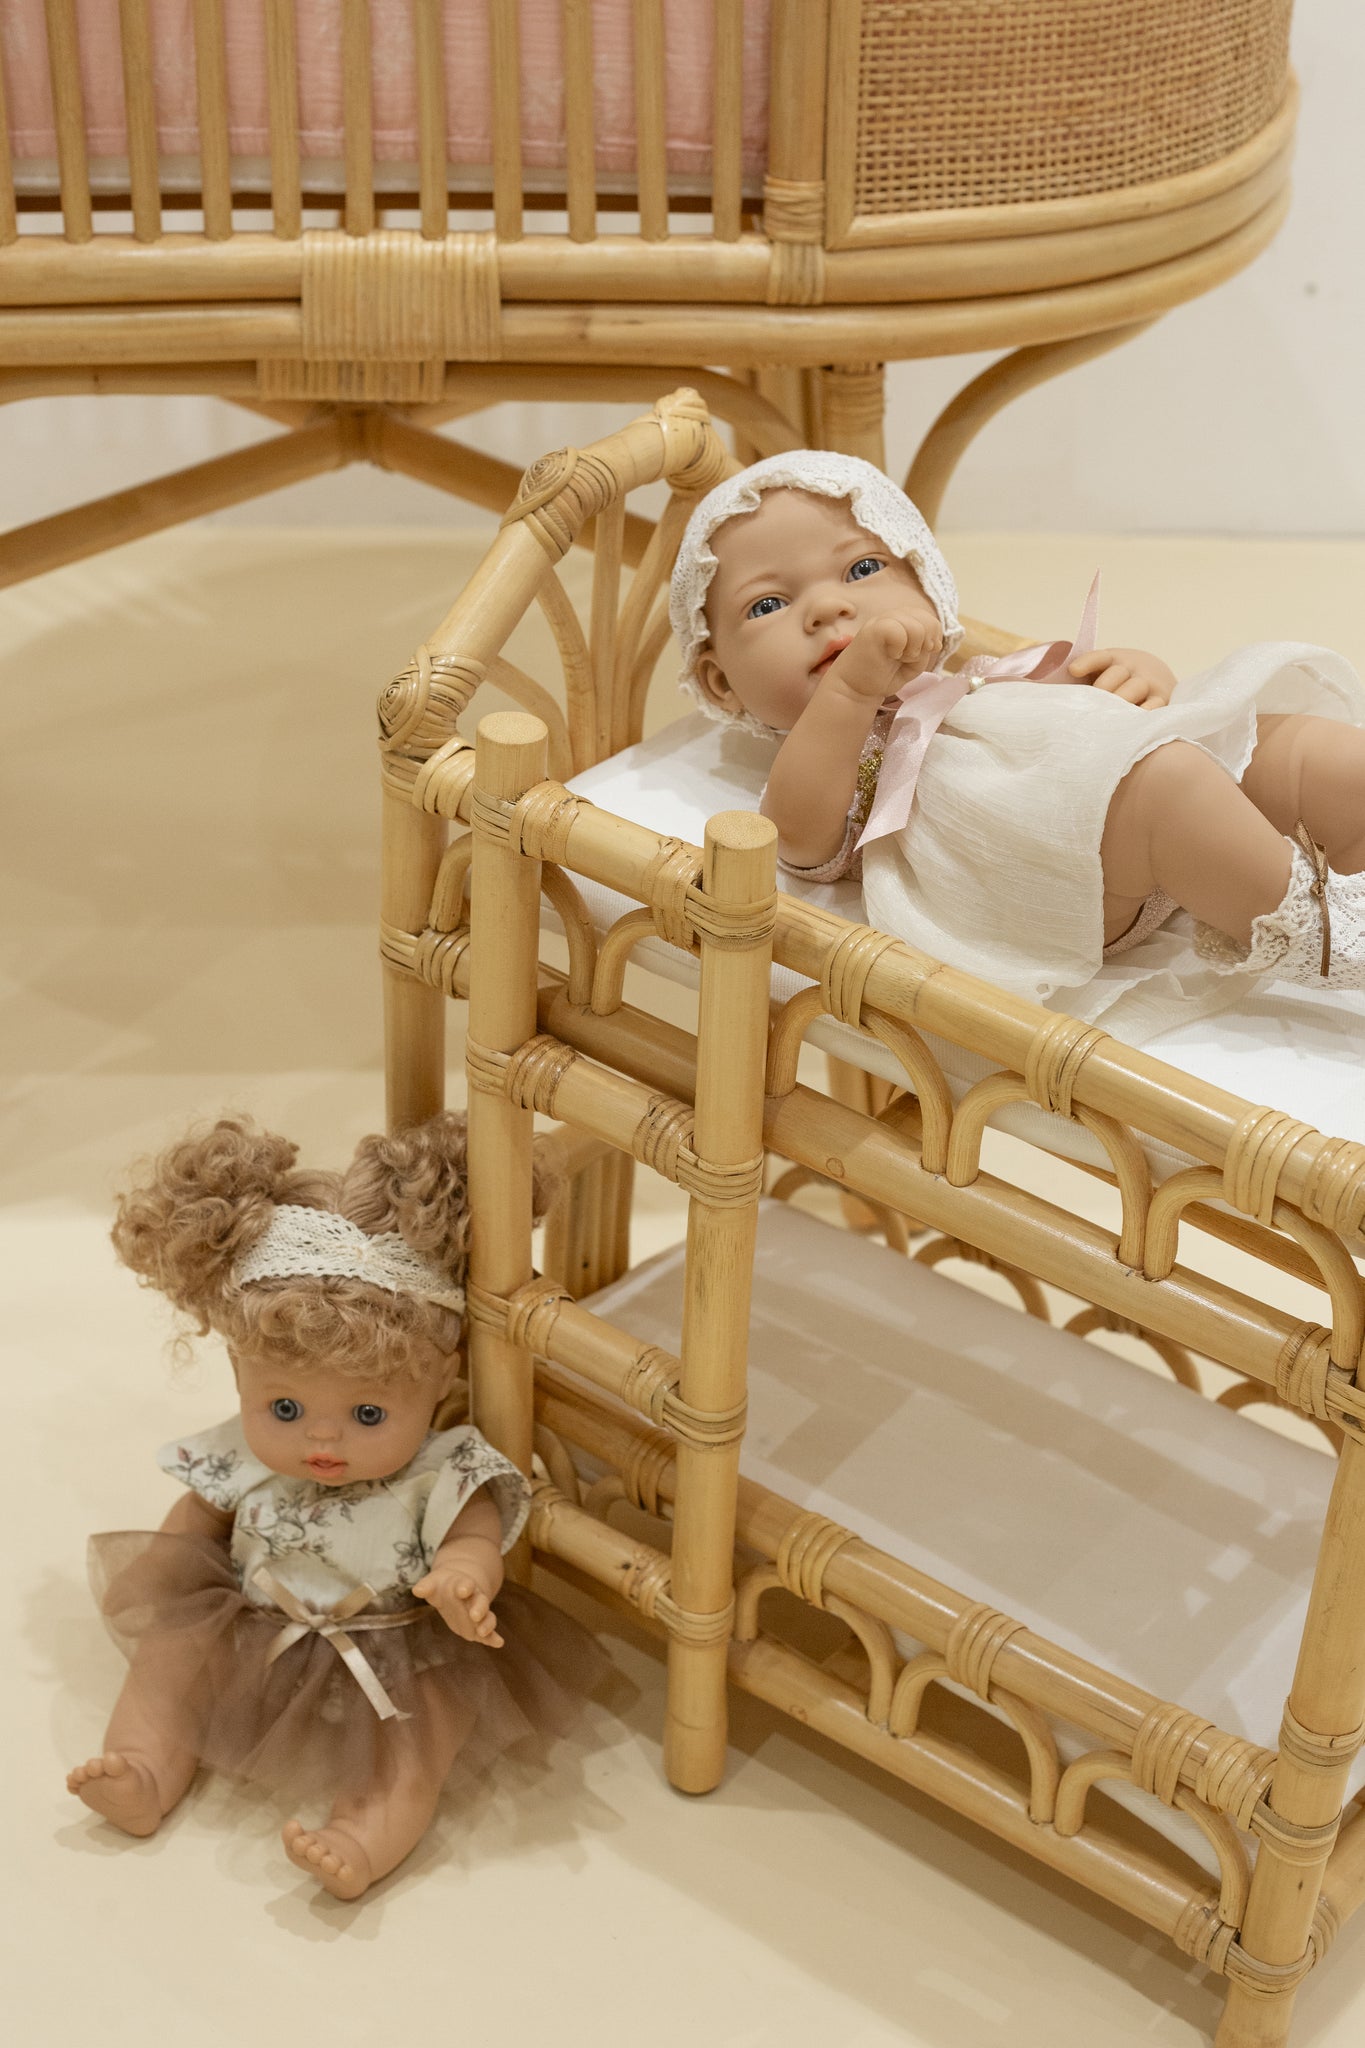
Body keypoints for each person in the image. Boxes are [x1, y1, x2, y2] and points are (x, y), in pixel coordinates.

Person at [67, 1112, 605, 1899]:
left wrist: (463, 1578)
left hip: (391, 1645)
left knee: (422, 1726)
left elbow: (474, 1531)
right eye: (284, 1409)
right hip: (249, 1625)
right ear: (239, 1372)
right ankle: (144, 1764)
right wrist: (166, 1568)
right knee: (169, 1659)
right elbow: (199, 1518)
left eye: (367, 1413)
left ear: (441, 1378)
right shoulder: (240, 1455)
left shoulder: (442, 1466)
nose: (323, 1438)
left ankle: (365, 1832)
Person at [668, 452, 1365, 1033]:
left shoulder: (975, 679)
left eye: (861, 569)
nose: (828, 606)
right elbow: (796, 833)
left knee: (1300, 755)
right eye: (768, 604)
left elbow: (1081, 705)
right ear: (721, 683)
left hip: (1125, 809)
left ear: (928, 585)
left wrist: (1136, 675)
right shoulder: (824, 754)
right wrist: (850, 690)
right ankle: (1331, 940)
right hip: (1056, 875)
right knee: (1169, 781)